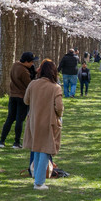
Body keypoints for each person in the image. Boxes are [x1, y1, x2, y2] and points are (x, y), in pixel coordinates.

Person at [22, 59, 63, 191]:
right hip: (48, 122)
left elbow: (26, 100)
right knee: (45, 150)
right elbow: (59, 107)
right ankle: (39, 182)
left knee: (37, 149)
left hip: (34, 121)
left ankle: (36, 176)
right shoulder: (55, 87)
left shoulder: (33, 84)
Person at [0, 51, 35, 149]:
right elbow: (30, 85)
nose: (32, 64)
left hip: (12, 96)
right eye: (31, 62)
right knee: (19, 120)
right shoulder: (24, 72)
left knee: (10, 119)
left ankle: (2, 141)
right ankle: (16, 142)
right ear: (26, 61)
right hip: (21, 97)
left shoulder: (15, 65)